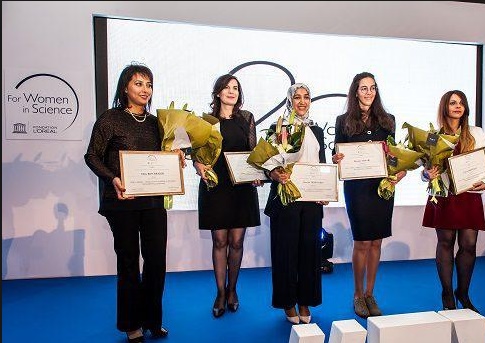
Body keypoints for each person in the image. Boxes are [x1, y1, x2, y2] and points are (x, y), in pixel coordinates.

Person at [85, 63, 184, 343]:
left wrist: (175, 158)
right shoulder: (110, 119)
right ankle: (132, 325)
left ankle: (153, 320)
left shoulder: (157, 124)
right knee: (128, 262)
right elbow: (92, 156)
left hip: (153, 202)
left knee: (156, 262)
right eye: (139, 83)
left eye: (149, 84)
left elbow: (161, 160)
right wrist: (113, 178)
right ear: (125, 87)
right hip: (122, 202)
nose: (145, 89)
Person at [332, 72, 406, 318]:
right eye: (363, 88)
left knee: (376, 242)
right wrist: (337, 159)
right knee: (362, 241)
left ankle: (370, 294)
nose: (368, 92)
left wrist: (399, 171)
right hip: (357, 188)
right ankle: (357, 294)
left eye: (372, 88)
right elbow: (337, 155)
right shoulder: (343, 121)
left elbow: (394, 155)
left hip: (382, 187)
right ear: (355, 92)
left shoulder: (388, 120)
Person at [422, 90, 485, 312]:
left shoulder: (476, 133)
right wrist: (427, 175)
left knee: (469, 245)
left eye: (461, 103)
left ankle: (463, 293)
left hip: (468, 195)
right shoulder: (433, 136)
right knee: (445, 243)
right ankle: (447, 294)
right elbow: (424, 171)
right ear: (445, 107)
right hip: (444, 196)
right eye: (453, 103)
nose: (458, 106)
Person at [193, 74, 261, 318]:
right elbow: (197, 156)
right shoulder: (207, 121)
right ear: (218, 93)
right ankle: (220, 293)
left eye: (236, 88)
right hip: (217, 188)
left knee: (237, 242)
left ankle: (233, 290)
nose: (231, 91)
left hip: (241, 188)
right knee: (220, 242)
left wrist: (257, 173)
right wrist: (198, 166)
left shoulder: (247, 119)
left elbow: (254, 153)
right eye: (227, 87)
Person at [265, 83, 328, 324]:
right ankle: (288, 303)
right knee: (285, 253)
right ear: (290, 100)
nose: (302, 101)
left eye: (306, 97)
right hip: (286, 199)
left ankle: (305, 301)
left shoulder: (318, 130)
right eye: (297, 97)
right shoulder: (278, 127)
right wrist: (275, 174)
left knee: (310, 253)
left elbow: (320, 165)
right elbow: (267, 163)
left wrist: (325, 189)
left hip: (311, 201)